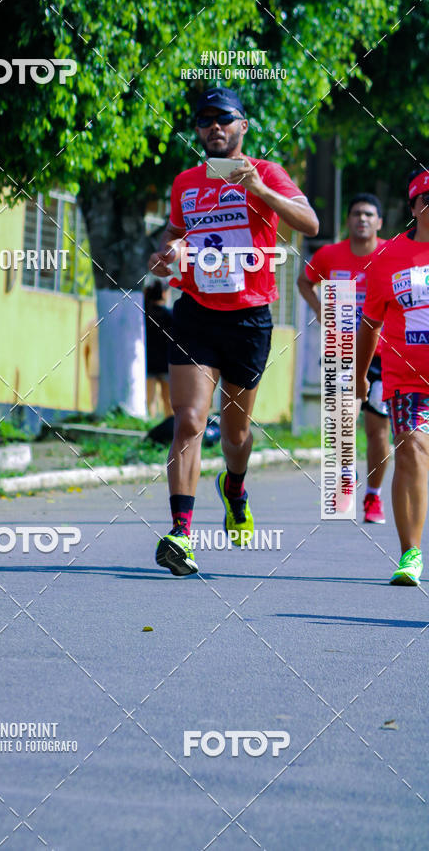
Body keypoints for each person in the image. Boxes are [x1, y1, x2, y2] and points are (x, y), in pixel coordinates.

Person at [148, 86, 319, 576]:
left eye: (224, 119)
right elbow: (174, 237)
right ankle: (181, 534)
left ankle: (235, 487)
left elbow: (309, 222)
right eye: (204, 121)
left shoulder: (267, 172)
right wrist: (166, 258)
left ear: (243, 125)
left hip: (248, 319)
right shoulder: (185, 182)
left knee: (237, 433)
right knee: (188, 420)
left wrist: (260, 191)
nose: (213, 128)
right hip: (196, 313)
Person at [297, 194, 390, 523]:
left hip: (383, 355)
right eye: (356, 214)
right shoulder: (328, 255)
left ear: (379, 222)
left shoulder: (390, 254)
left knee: (378, 430)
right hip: (341, 349)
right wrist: (321, 310)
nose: (362, 219)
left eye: (368, 214)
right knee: (342, 422)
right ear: (347, 221)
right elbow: (304, 282)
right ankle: (346, 482)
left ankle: (374, 497)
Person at [356, 166, 429, 586]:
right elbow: (370, 324)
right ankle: (411, 553)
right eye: (428, 198)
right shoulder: (389, 259)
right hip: (408, 378)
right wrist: (360, 376)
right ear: (415, 206)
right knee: (411, 449)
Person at [144, 280, 173, 418]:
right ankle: (170, 427)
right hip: (166, 364)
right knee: (168, 401)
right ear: (163, 293)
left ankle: (150, 423)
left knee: (149, 400)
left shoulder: (144, 314)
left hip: (148, 363)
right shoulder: (171, 315)